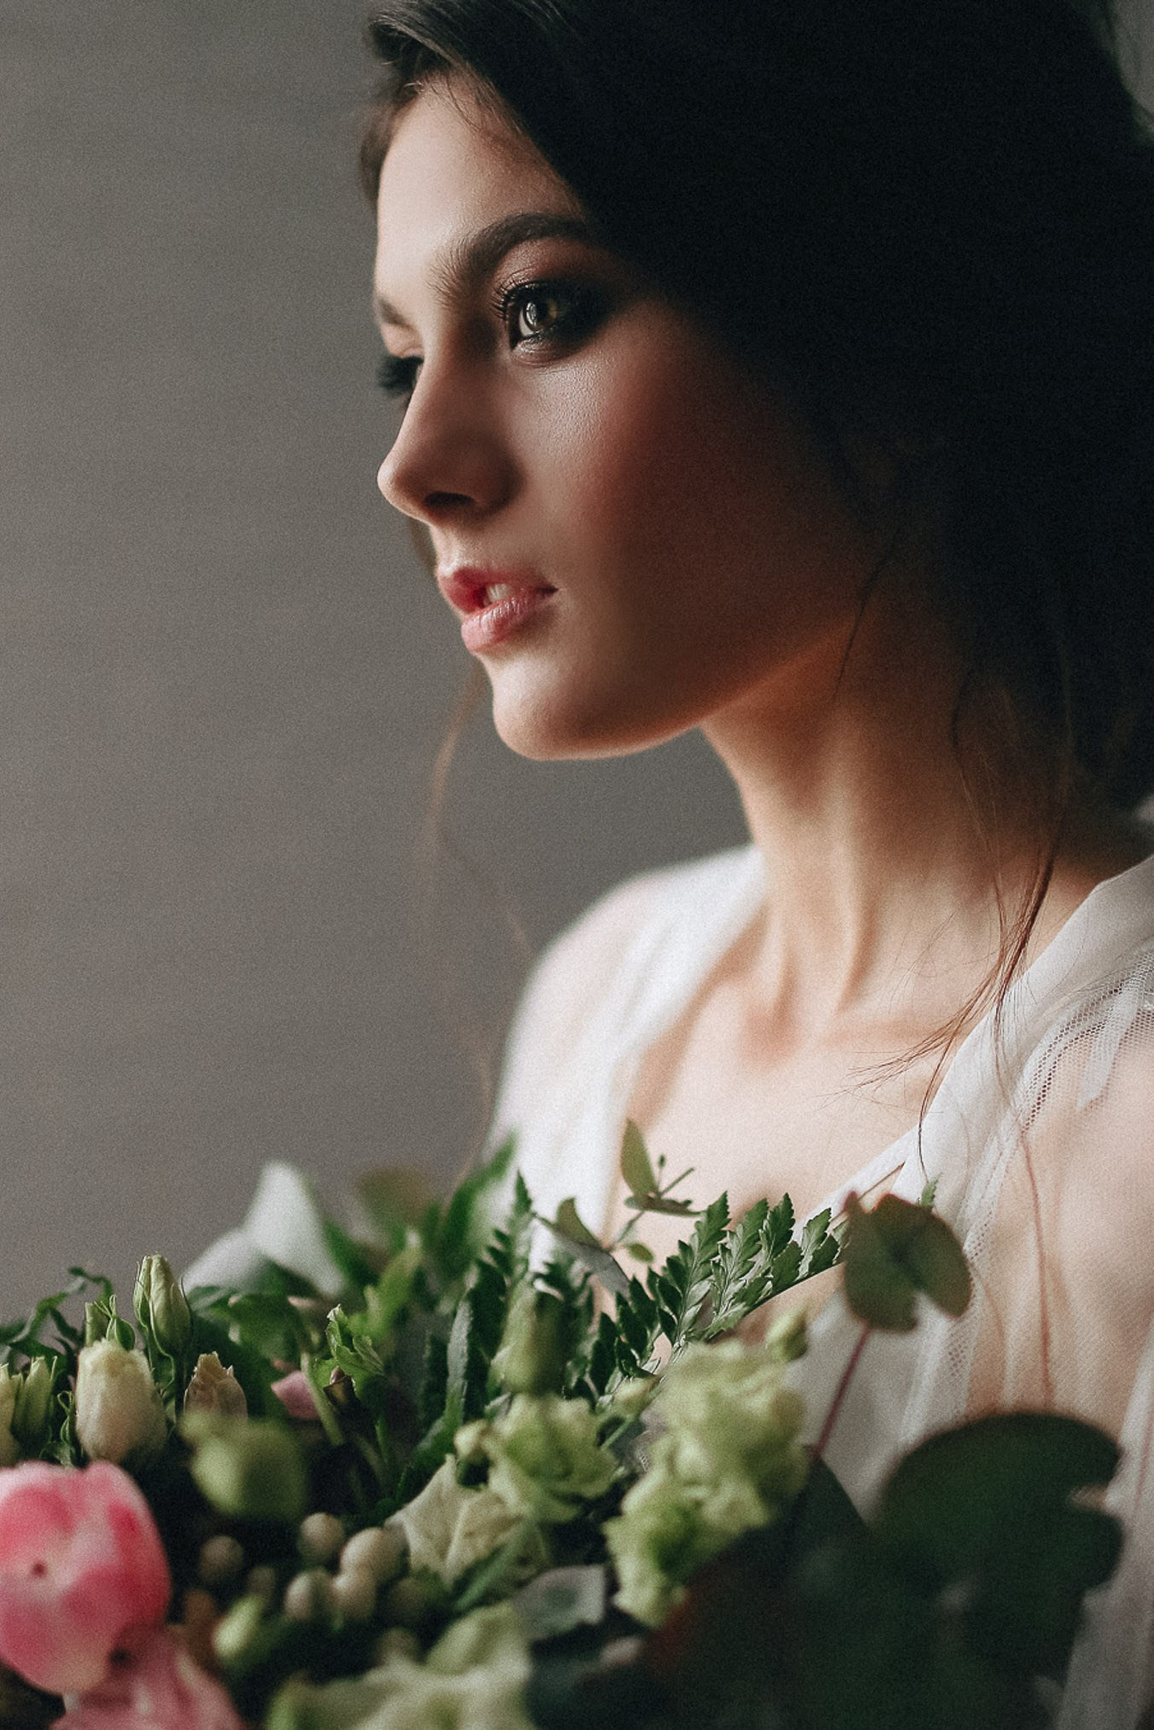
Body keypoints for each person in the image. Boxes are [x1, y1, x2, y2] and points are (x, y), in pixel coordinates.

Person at [361, 1, 1154, 1721]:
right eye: (399, 356)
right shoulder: (603, 994)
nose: (416, 463)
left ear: (892, 332)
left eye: (538, 313)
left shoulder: (1134, 1131)